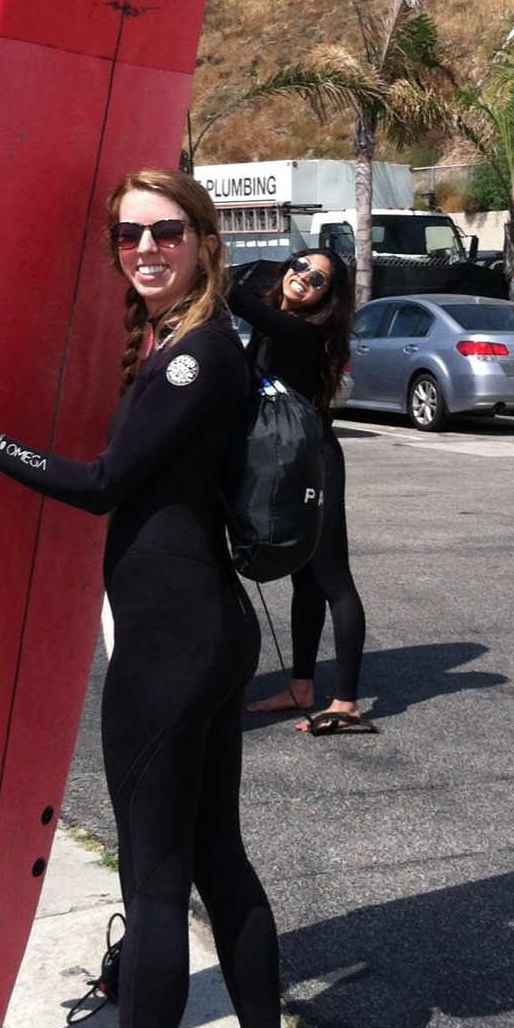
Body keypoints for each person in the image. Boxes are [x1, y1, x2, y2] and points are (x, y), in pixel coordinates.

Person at [0, 171, 305, 1028]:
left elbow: (101, 487)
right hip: (210, 635)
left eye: (167, 232)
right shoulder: (201, 345)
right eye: (128, 237)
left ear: (205, 240)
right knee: (222, 862)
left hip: (170, 650)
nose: (146, 249)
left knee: (157, 887)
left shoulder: (189, 358)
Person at [229, 251, 374, 736]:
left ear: (326, 297)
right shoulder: (276, 328)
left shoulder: (302, 333)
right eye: (298, 265)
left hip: (315, 462)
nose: (302, 277)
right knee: (304, 581)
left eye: (317, 278)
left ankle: (347, 702)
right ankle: (302, 687)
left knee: (333, 578)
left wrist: (199, 257)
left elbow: (234, 297)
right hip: (285, 463)